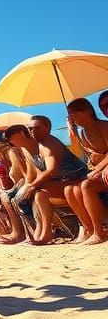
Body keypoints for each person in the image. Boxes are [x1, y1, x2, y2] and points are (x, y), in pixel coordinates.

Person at [26, 114, 90, 243]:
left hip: (79, 178)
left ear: (47, 127)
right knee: (40, 195)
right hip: (66, 181)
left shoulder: (50, 142)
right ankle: (46, 233)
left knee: (36, 189)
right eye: (30, 129)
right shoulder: (41, 144)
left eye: (37, 128)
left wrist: (31, 186)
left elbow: (51, 170)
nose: (33, 131)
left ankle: (87, 227)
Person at [65, 97, 108, 243]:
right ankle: (89, 228)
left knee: (86, 186)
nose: (72, 116)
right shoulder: (83, 133)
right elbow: (82, 155)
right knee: (72, 189)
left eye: (74, 112)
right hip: (101, 170)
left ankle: (99, 231)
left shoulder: (102, 126)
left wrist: (98, 169)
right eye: (69, 114)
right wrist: (73, 131)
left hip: (104, 170)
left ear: (88, 111)